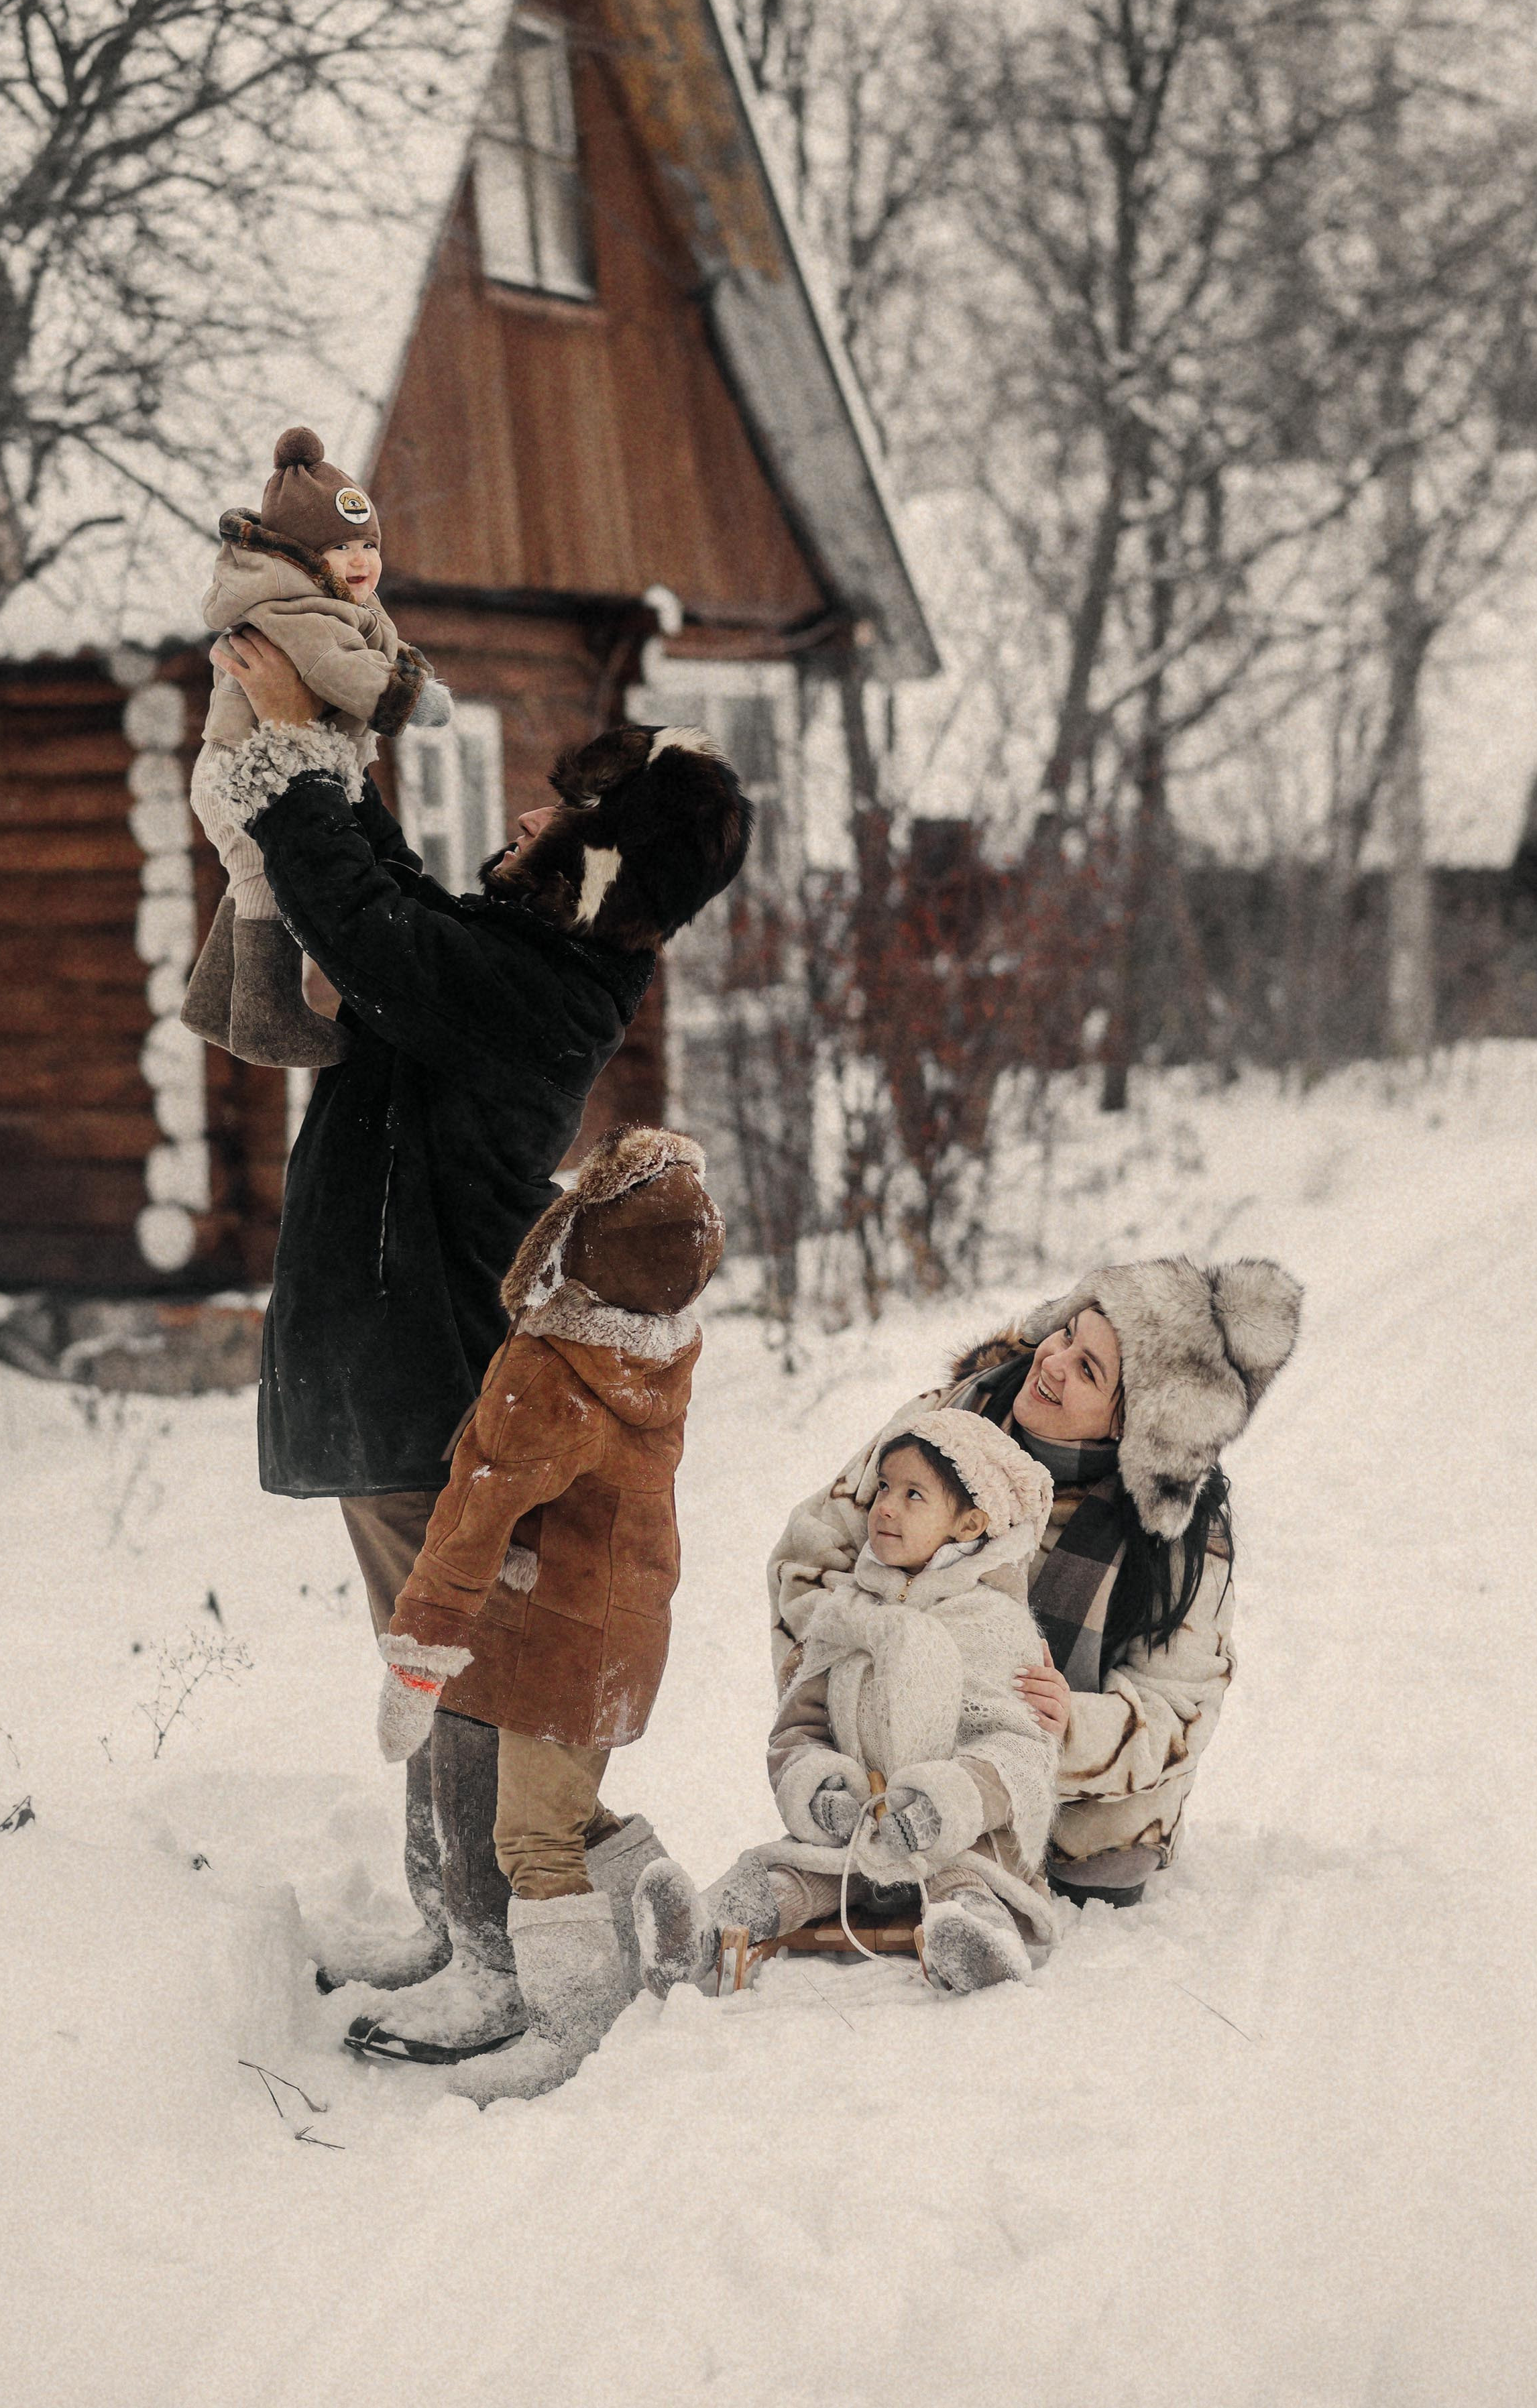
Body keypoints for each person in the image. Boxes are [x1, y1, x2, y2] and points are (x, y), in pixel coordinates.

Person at [199, 627, 752, 2002]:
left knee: (459, 1671)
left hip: (430, 1362)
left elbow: (364, 925)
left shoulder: (533, 991)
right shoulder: (515, 953)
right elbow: (387, 893)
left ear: (599, 859)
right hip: (393, 1352)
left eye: (562, 813)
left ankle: (497, 1958)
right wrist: (329, 750)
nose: (522, 817)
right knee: (439, 1659)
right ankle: (476, 1928)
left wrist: (292, 760)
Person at [361, 1123, 726, 2094]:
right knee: (568, 1808)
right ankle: (665, 1921)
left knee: (531, 1838)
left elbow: (472, 1516)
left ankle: (569, 2023)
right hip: (623, 1631)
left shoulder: (553, 1368)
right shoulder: (659, 1351)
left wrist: (417, 1657)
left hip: (558, 1640)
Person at [766, 1257, 1302, 1906]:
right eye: (1067, 1333)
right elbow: (810, 1554)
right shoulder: (948, 1424)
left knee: (1099, 1856)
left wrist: (1070, 1721)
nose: (1053, 1362)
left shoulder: (1181, 1533)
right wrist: (845, 1670)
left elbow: (1180, 1707)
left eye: (1088, 1370)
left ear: (1131, 1423)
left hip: (1057, 1776)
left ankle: (984, 1841)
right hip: (892, 1732)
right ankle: (878, 1816)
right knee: (850, 1794)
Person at [635, 1409, 1063, 2002]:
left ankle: (978, 1945)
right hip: (857, 1830)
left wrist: (942, 1806)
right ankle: (696, 1934)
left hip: (957, 1838)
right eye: (884, 1487)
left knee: (966, 1883)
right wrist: (823, 1792)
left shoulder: (993, 1623)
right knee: (786, 1875)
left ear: (969, 1523)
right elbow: (798, 1727)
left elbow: (1018, 1750)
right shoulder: (847, 1614)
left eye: (914, 1495)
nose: (885, 1507)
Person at [180, 426, 453, 1067]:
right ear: (303, 557)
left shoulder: (340, 600)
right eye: (340, 547)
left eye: (368, 544)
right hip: (246, 772)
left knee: (249, 875)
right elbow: (339, 670)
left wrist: (409, 667)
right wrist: (413, 700)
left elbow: (381, 647)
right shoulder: (294, 607)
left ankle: (215, 1000)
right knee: (267, 879)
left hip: (263, 765)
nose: (360, 560)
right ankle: (265, 1015)